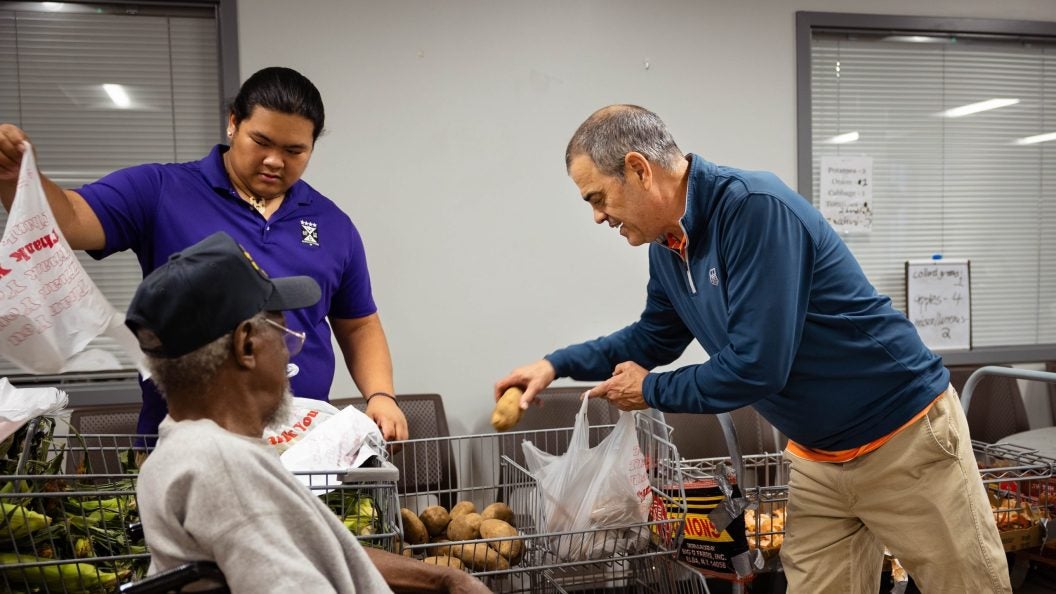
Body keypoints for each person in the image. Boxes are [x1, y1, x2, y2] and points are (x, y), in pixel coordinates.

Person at [495, 105, 1011, 593]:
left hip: (905, 440)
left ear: (638, 169)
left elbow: (758, 367)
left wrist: (650, 388)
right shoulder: (669, 248)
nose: (598, 217)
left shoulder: (753, 210)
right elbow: (652, 338)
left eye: (597, 197)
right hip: (819, 458)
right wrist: (555, 364)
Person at [0, 66, 407, 442]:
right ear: (233, 122)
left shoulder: (333, 223)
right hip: (186, 441)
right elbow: (69, 221)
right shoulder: (160, 190)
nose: (274, 160)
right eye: (261, 141)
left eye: (294, 150)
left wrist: (381, 395)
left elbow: (358, 324)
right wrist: (21, 181)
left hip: (301, 445)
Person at [127, 231, 487, 593]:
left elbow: (313, 546)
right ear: (246, 345)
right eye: (283, 334)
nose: (289, 354)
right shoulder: (222, 468)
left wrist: (446, 577)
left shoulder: (186, 451)